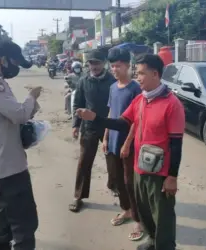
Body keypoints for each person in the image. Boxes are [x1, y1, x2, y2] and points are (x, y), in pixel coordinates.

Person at [76, 54, 185, 250]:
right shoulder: (141, 100)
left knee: (163, 217)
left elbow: (176, 144)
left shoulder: (172, 104)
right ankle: (152, 240)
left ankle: (164, 246)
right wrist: (95, 118)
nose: (138, 77)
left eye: (141, 73)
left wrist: (172, 177)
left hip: (160, 173)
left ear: (155, 74)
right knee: (144, 211)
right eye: (137, 72)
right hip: (140, 167)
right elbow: (121, 123)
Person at [0, 41, 42, 250]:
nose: (15, 67)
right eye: (14, 62)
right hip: (9, 165)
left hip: (3, 161)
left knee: (5, 213)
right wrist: (31, 97)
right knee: (24, 222)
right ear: (2, 59)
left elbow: (14, 116)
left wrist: (28, 110)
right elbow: (19, 114)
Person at [69, 49, 116, 213]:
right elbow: (78, 103)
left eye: (97, 63)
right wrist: (75, 125)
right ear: (88, 65)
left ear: (104, 63)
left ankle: (113, 185)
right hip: (88, 128)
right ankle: (78, 196)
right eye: (91, 63)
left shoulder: (112, 81)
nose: (94, 66)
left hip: (108, 127)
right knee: (84, 162)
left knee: (112, 160)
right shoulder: (83, 81)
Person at [104, 48, 143, 241]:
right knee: (118, 181)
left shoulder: (135, 88)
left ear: (127, 65)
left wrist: (127, 143)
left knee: (130, 183)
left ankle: (139, 219)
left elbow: (137, 119)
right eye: (112, 66)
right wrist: (105, 138)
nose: (114, 69)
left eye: (118, 66)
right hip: (112, 142)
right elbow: (111, 114)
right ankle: (126, 210)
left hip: (128, 143)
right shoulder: (113, 87)